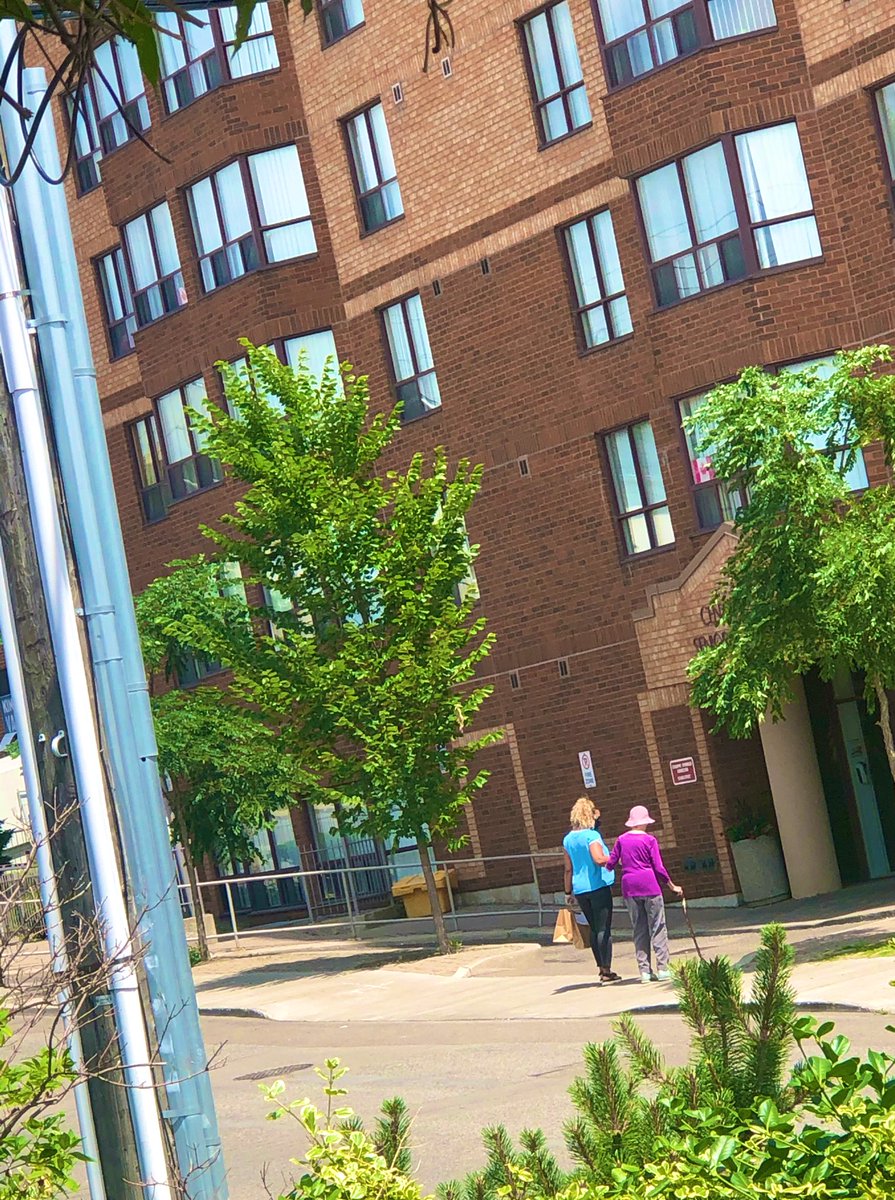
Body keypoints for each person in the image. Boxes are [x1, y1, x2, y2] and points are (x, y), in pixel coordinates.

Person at [606, 804, 682, 983]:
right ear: (644, 822)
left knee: (639, 929)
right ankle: (663, 969)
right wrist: (671, 885)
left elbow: (611, 863)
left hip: (629, 887)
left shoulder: (621, 840)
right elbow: (659, 867)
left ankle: (645, 972)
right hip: (650, 885)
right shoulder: (650, 840)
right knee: (657, 927)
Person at [562, 797, 621, 984]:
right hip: (597, 885)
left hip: (580, 889)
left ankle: (600, 968)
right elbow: (598, 858)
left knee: (594, 929)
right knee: (604, 928)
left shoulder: (568, 839)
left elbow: (568, 868)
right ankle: (607, 970)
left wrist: (567, 892)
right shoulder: (591, 836)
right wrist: (614, 858)